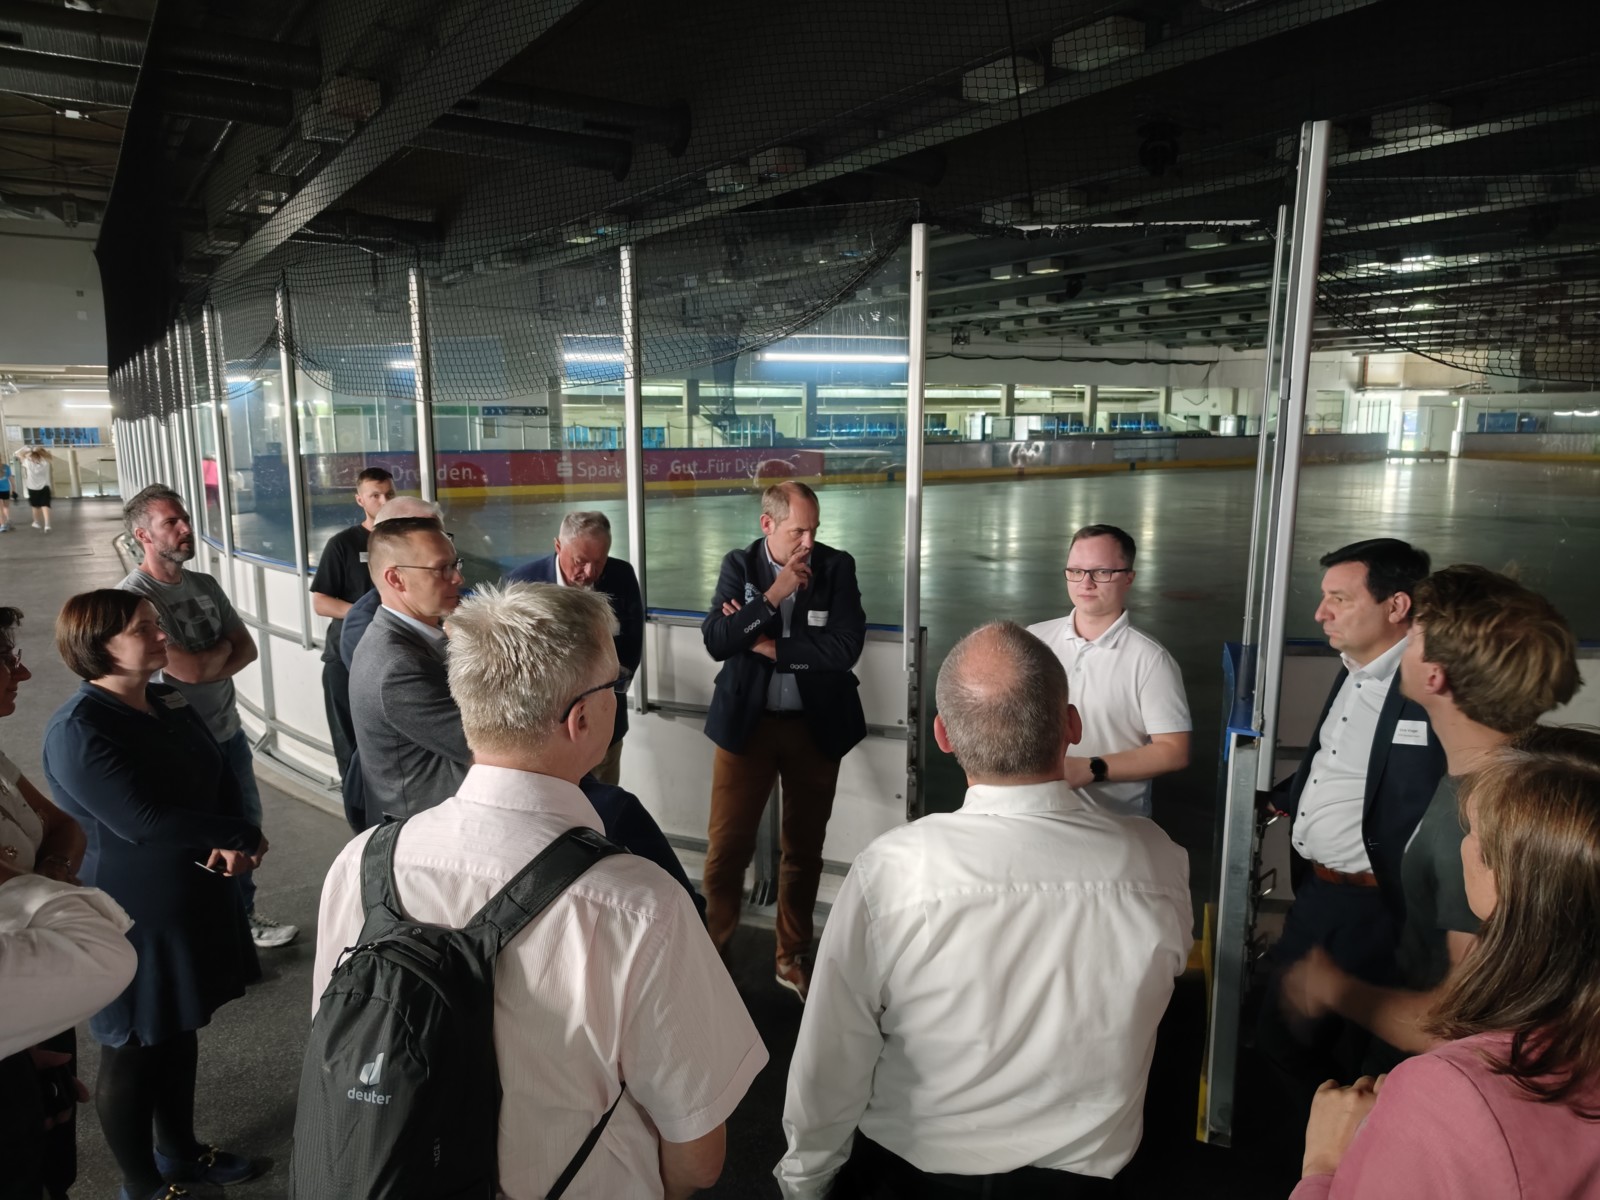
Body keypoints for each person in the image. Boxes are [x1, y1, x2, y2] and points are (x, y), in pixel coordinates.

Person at [315, 582, 767, 1197]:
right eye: (615, 686)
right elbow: (697, 1155)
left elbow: (335, 1044)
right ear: (581, 718)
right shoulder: (638, 904)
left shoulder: (362, 864)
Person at [777, 622, 1192, 1198]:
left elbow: (834, 1054)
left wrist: (807, 1179)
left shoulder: (891, 872)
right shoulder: (1158, 863)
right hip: (1088, 1181)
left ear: (943, 736)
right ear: (1072, 726)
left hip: (914, 1177)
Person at [1280, 566, 1579, 1067]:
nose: (1402, 647)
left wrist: (1334, 988)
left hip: (1425, 1070)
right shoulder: (1494, 781)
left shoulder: (1478, 824)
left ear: (1435, 676)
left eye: (1413, 638)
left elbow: (1456, 1026)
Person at [1292, 726, 1600, 1199]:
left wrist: (1325, 1164)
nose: (1464, 846)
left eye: (1474, 832)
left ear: (1514, 884)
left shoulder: (1451, 1092)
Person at [42, 590, 269, 1200]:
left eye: (156, 623)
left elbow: (216, 772)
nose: (162, 634)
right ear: (98, 646)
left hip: (190, 892)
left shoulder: (166, 698)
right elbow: (140, 820)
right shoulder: (80, 729)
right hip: (132, 912)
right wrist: (236, 835)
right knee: (134, 1045)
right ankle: (141, 1185)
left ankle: (181, 1153)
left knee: (177, 1027)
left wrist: (229, 832)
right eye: (143, 629)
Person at [1257, 538, 1446, 1101]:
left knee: (1364, 1063)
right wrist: (1286, 796)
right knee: (1283, 1040)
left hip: (1382, 910)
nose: (1321, 613)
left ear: (1397, 606)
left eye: (1339, 599)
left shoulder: (1432, 685)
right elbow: (1344, 761)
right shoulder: (1355, 668)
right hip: (1320, 896)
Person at [701, 480, 866, 1000]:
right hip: (746, 726)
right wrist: (775, 595)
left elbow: (845, 648)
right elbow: (718, 641)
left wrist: (774, 648)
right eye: (798, 531)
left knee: (803, 850)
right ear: (768, 524)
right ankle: (712, 953)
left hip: (813, 728)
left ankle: (790, 957)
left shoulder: (837, 567)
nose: (809, 542)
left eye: (814, 529)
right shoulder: (739, 565)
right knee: (727, 848)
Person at [118, 484, 296, 948]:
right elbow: (191, 671)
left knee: (245, 829)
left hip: (227, 733)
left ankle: (243, 917)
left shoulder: (205, 585)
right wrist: (217, 654)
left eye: (185, 519)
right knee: (202, 839)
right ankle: (214, 929)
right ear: (143, 535)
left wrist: (207, 660)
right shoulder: (134, 598)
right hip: (180, 746)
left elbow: (247, 649)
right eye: (171, 523)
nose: (186, 528)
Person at [2, 605, 126, 1200]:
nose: (22, 674)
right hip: (20, 978)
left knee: (48, 1144)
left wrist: (47, 874)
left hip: (31, 985)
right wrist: (47, 892)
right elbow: (104, 953)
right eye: (6, 661)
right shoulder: (78, 726)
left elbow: (63, 826)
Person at [1026, 523, 1191, 817]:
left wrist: (1091, 768)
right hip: (1034, 814)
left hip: (1112, 825)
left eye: (1101, 572)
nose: (1086, 583)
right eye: (1076, 571)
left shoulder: (1151, 660)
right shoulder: (1034, 640)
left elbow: (1174, 750)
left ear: (1128, 578)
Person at [506, 510, 643, 786]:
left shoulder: (622, 575)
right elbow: (514, 661)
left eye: (600, 562)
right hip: (542, 730)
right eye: (580, 561)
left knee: (604, 800)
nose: (590, 572)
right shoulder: (523, 583)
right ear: (558, 546)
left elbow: (631, 647)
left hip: (603, 724)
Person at [348, 515, 470, 819]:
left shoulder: (417, 637)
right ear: (396, 579)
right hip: (430, 827)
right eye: (442, 568)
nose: (458, 578)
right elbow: (492, 746)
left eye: (456, 564)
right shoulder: (398, 667)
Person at [309, 467, 394, 780]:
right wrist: (367, 614)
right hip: (346, 660)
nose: (384, 501)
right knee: (351, 751)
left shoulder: (403, 544)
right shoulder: (342, 544)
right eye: (375, 495)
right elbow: (321, 602)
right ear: (360, 500)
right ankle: (356, 806)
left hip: (389, 658)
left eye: (389, 494)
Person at [18, 448, 53, 533]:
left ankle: (36, 521)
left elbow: (19, 454)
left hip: (32, 488)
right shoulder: (45, 463)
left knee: (35, 506)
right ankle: (47, 525)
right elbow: (47, 455)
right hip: (44, 486)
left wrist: (27, 450)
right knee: (45, 506)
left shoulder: (28, 463)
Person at [0, 456, 13, 531]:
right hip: (6, 489)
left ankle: (2, 525)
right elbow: (11, 479)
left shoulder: (6, 467)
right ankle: (8, 520)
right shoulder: (6, 467)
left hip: (4, 489)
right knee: (6, 507)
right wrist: (13, 489)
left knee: (0, 509)